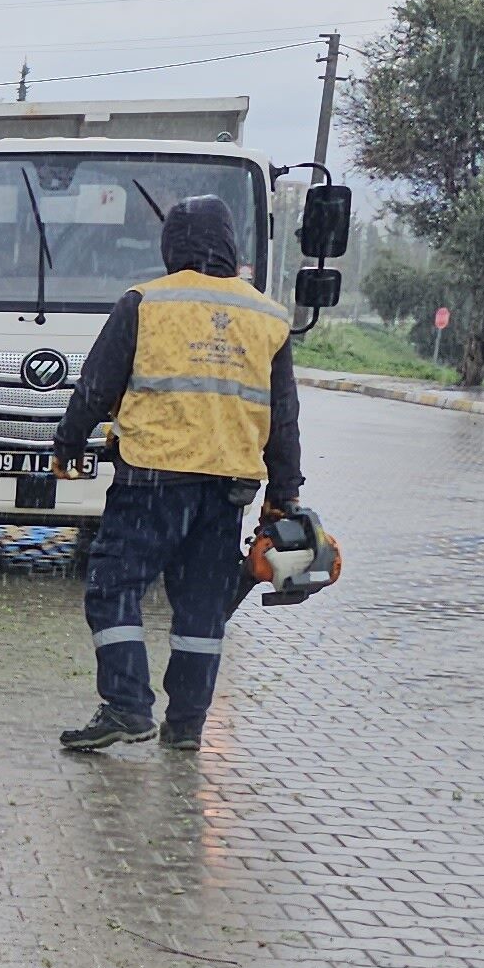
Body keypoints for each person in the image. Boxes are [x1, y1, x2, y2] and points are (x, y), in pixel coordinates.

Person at [47, 194, 302, 753]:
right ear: (230, 244)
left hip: (152, 479)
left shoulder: (144, 302)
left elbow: (97, 385)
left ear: (172, 246)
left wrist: (68, 442)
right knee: (202, 606)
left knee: (114, 586)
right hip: (228, 488)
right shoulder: (268, 317)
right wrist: (284, 494)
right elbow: (283, 417)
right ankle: (186, 725)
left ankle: (127, 706)